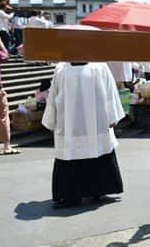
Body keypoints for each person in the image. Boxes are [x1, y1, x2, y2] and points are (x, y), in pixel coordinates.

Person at [42, 60, 125, 209]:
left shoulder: (98, 66)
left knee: (74, 157)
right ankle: (90, 192)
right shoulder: (62, 68)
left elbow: (109, 91)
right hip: (79, 125)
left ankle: (83, 193)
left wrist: (51, 121)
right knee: (96, 154)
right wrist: (113, 116)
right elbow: (54, 95)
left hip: (78, 125)